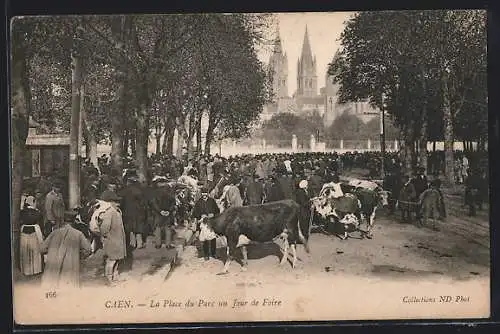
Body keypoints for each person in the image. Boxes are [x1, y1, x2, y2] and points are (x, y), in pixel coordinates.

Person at [40, 211, 92, 289]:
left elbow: (42, 249)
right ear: (74, 221)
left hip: (53, 272)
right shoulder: (78, 234)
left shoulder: (54, 233)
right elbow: (88, 250)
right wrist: (79, 256)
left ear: (63, 220)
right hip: (70, 271)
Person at [98, 190, 127, 285]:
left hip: (118, 240)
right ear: (109, 202)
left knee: (117, 259)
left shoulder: (117, 211)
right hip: (112, 240)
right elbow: (104, 228)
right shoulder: (109, 212)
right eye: (115, 201)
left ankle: (115, 276)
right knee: (111, 260)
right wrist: (106, 237)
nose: (117, 203)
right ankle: (109, 278)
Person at [192, 186, 220, 260]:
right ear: (201, 194)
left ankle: (213, 253)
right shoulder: (198, 202)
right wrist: (201, 215)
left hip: (211, 222)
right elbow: (194, 213)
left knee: (213, 238)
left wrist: (213, 214)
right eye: (203, 193)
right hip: (202, 223)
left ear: (208, 193)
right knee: (205, 239)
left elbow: (217, 211)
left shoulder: (212, 201)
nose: (204, 195)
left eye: (205, 193)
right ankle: (206, 254)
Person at [19, 196, 44, 277]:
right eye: (35, 201)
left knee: (25, 250)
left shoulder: (22, 212)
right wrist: (42, 233)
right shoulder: (38, 212)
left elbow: (20, 221)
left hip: (24, 231)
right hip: (34, 231)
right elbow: (41, 224)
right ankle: (36, 270)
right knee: (35, 251)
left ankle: (26, 271)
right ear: (33, 202)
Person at [119, 175, 146, 249]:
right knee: (138, 228)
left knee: (130, 228)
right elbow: (143, 202)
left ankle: (132, 243)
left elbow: (121, 202)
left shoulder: (124, 191)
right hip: (138, 211)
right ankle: (139, 243)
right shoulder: (138, 190)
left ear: (129, 182)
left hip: (127, 212)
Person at [149, 177, 177, 249]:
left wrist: (160, 211)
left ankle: (158, 244)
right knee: (167, 228)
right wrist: (169, 211)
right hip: (167, 212)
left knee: (158, 228)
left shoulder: (154, 192)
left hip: (158, 213)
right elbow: (173, 202)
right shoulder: (169, 191)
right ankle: (168, 244)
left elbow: (153, 203)